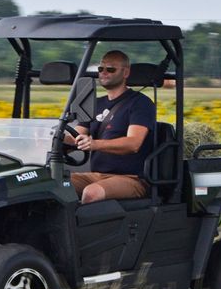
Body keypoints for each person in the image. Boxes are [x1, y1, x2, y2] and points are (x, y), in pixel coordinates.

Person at [65, 50, 155, 203]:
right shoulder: (95, 103)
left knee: (92, 193)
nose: (104, 73)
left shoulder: (140, 103)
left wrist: (95, 144)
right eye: (101, 69)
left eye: (110, 69)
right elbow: (77, 135)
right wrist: (52, 139)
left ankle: (87, 227)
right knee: (54, 185)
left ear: (125, 72)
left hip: (131, 178)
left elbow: (133, 143)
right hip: (96, 175)